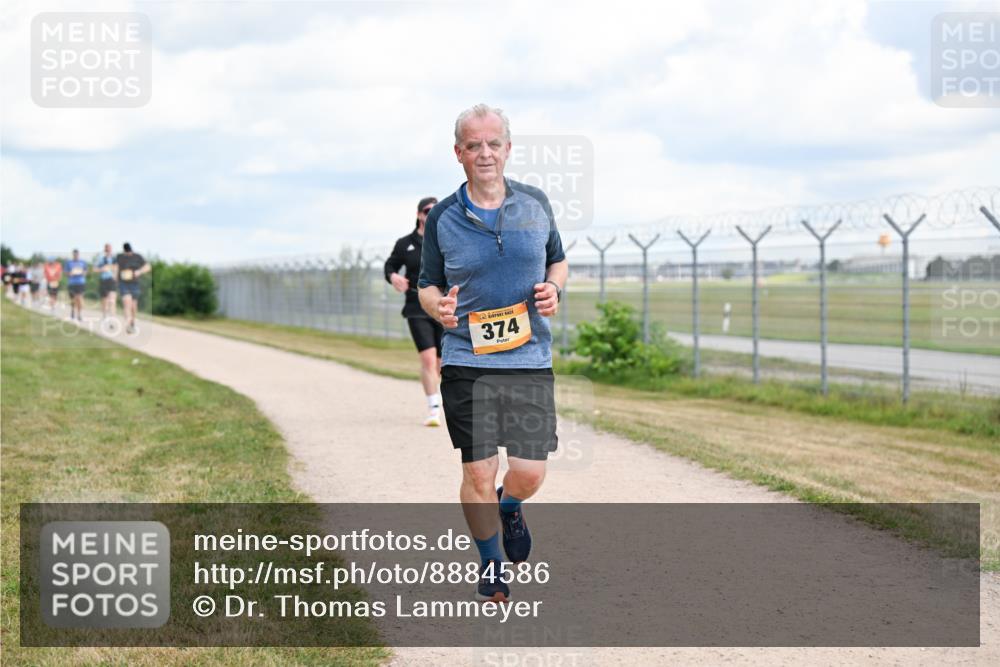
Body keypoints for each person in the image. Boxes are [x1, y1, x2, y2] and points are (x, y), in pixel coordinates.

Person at [418, 104, 568, 602]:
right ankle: (491, 563)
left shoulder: (535, 202)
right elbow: (427, 285)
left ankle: (510, 507)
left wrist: (553, 289)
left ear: (508, 148)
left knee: (528, 472)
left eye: (494, 143)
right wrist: (437, 305)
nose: (485, 153)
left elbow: (558, 263)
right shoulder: (443, 217)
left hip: (528, 359)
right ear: (458, 153)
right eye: (473, 145)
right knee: (478, 470)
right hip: (466, 359)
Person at [385, 196, 445, 427]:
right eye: (428, 210)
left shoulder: (446, 240)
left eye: (436, 210)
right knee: (428, 359)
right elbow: (389, 265)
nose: (432, 214)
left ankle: (440, 400)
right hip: (416, 307)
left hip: (442, 308)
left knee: (442, 363)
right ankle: (433, 409)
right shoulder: (405, 244)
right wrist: (393, 277)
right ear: (420, 215)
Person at [116, 242, 151, 334]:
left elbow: (148, 267)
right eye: (126, 252)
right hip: (123, 283)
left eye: (129, 252)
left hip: (134, 284)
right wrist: (115, 279)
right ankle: (128, 326)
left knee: (133, 306)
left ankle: (132, 322)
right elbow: (115, 268)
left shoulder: (138, 257)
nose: (128, 254)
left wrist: (139, 271)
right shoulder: (119, 257)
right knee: (127, 303)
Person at [95, 243, 118, 319]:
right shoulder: (101, 258)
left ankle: (112, 316)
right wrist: (102, 269)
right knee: (104, 299)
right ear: (105, 249)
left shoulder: (114, 259)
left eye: (109, 249)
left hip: (112, 280)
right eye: (107, 249)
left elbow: (117, 269)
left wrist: (116, 277)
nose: (108, 250)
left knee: (112, 299)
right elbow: (94, 269)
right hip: (103, 280)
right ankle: (104, 315)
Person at [64, 250, 88, 320]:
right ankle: (72, 309)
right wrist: (70, 273)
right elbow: (65, 272)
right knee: (73, 299)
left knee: (79, 298)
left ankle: (79, 314)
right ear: (73, 255)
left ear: (78, 255)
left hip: (81, 282)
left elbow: (86, 271)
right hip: (72, 283)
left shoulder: (83, 262)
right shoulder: (69, 263)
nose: (76, 256)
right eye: (74, 255)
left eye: (77, 255)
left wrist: (84, 273)